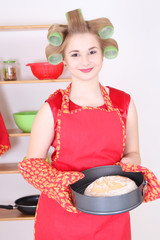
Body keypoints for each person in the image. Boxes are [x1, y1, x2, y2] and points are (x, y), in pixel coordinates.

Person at [18, 9, 141, 240]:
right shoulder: (51, 109)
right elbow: (33, 165)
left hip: (111, 216)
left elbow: (134, 153)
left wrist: (128, 165)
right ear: (63, 59)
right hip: (62, 217)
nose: (85, 61)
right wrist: (63, 183)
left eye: (92, 51)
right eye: (75, 54)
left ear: (103, 53)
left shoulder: (124, 103)